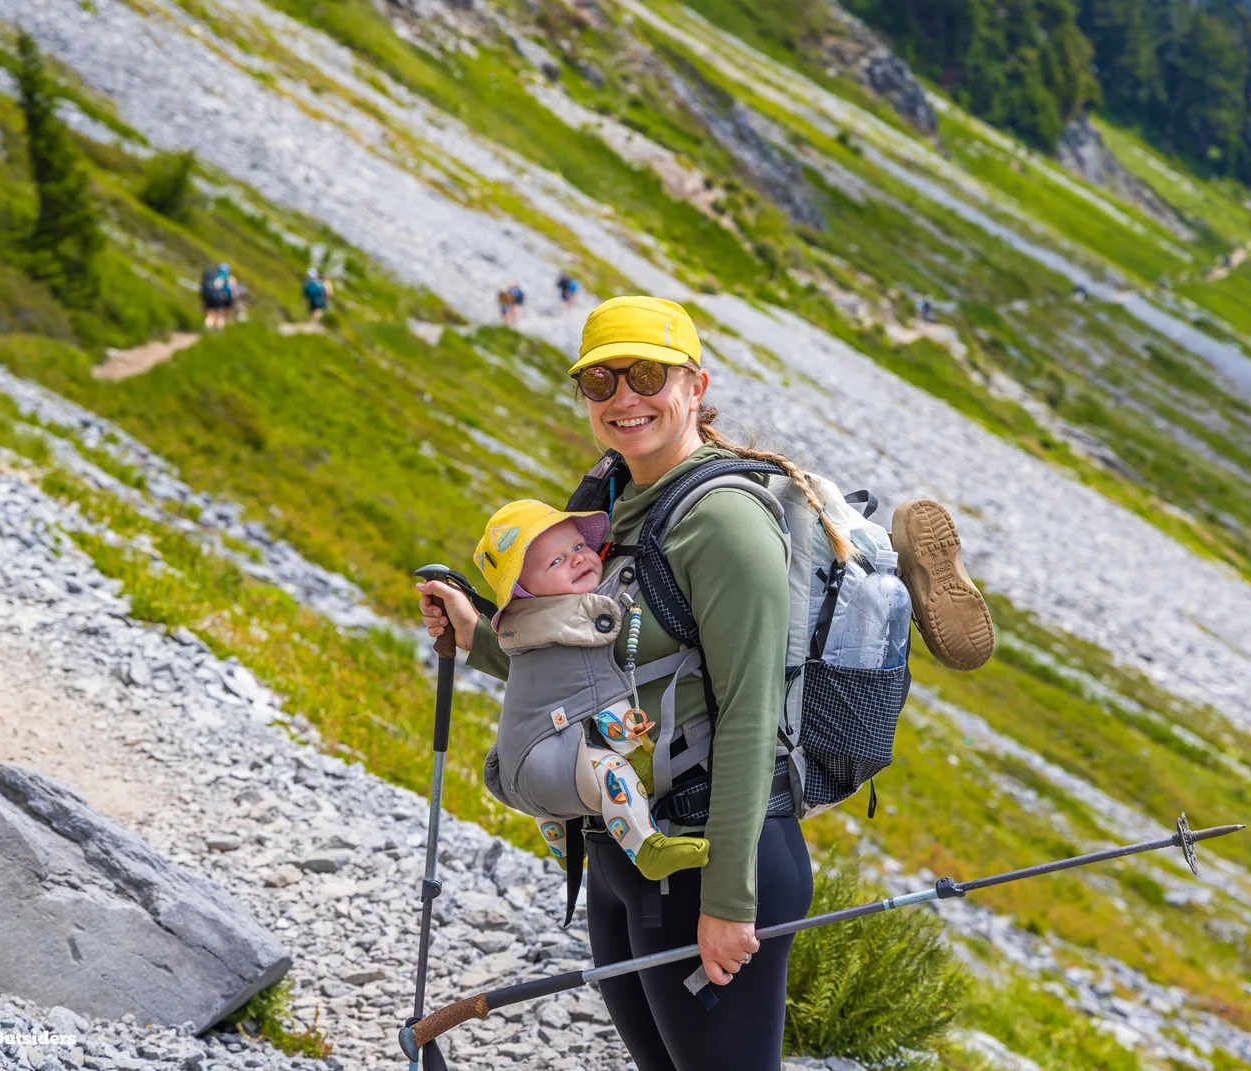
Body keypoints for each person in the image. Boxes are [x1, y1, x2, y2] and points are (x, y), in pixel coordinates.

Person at [417, 296, 992, 1069]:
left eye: (648, 375)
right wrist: (477, 638)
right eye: (601, 381)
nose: (624, 397)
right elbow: (599, 672)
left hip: (714, 856)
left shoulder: (721, 521)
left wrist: (728, 900)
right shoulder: (613, 500)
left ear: (695, 384)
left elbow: (752, 711)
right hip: (629, 857)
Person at [472, 499, 710, 881]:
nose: (578, 559)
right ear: (523, 592)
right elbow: (599, 697)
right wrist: (637, 751)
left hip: (513, 765)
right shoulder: (569, 626)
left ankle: (565, 849)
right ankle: (647, 847)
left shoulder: (521, 630)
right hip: (542, 769)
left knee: (558, 785)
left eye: (579, 546)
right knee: (611, 771)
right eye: (556, 561)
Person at [200, 263, 232, 330]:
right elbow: (227, 290)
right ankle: (218, 331)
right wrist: (228, 302)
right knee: (220, 315)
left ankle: (207, 329)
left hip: (210, 297)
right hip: (220, 299)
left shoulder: (214, 276)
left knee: (210, 314)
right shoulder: (226, 277)